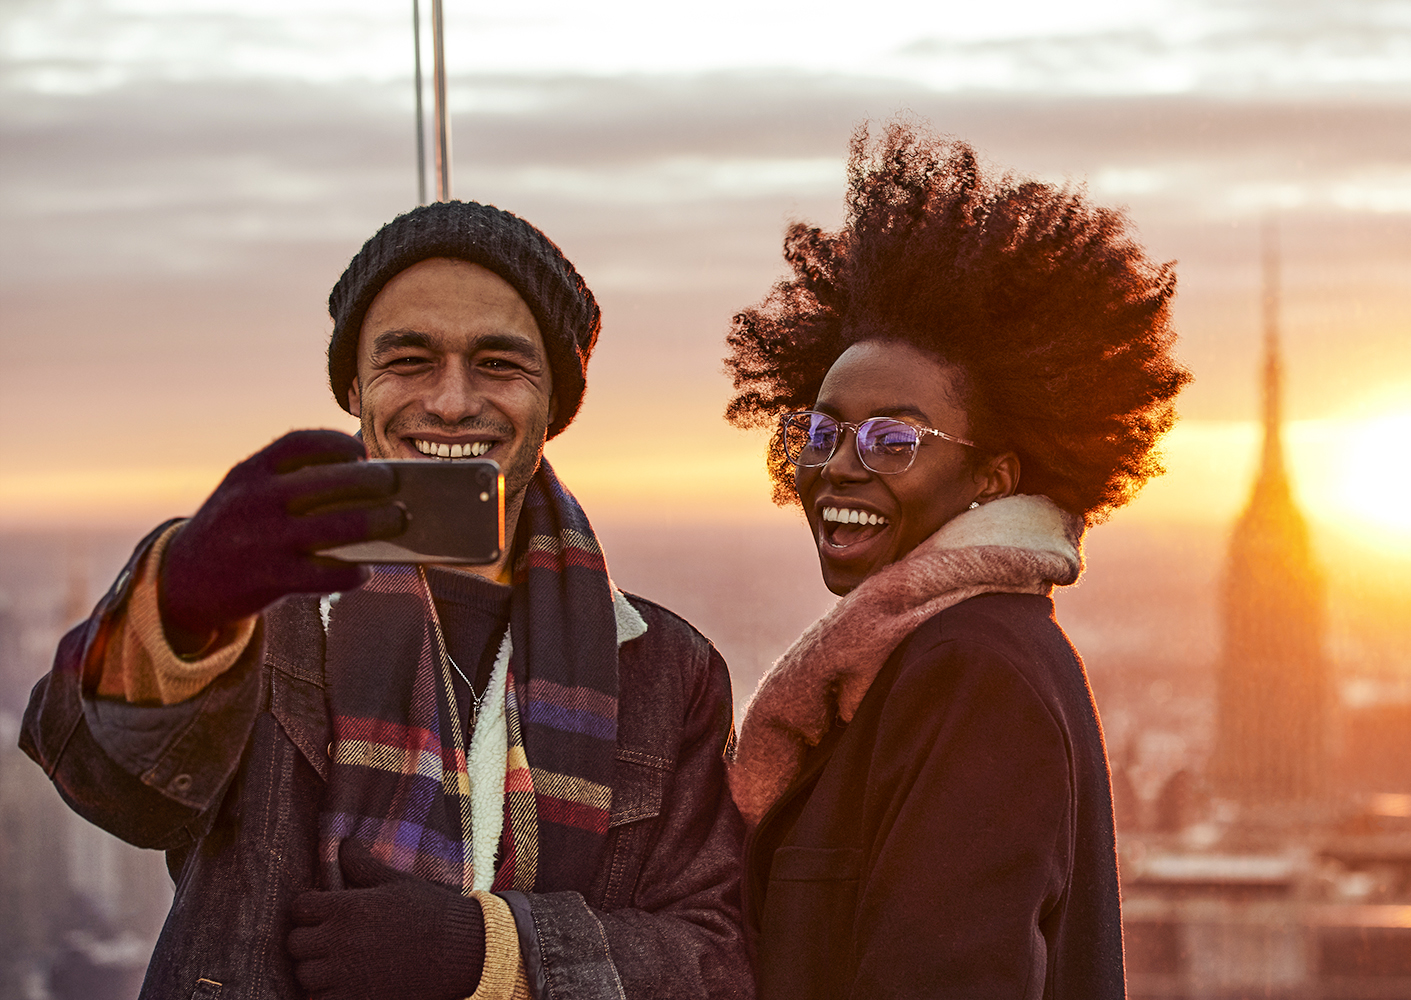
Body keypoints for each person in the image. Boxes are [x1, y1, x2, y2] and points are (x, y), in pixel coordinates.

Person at [21, 201, 752, 1000]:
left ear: (555, 401)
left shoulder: (664, 667)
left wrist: (493, 954)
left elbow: (714, 958)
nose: (449, 401)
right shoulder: (265, 609)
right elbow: (111, 786)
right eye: (409, 360)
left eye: (499, 364)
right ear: (355, 387)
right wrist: (187, 602)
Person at [722, 122, 1190, 999]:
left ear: (995, 476)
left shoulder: (973, 674)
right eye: (822, 432)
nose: (839, 466)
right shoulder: (918, 659)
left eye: (894, 438)